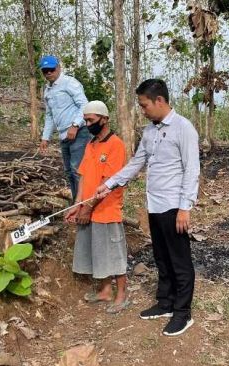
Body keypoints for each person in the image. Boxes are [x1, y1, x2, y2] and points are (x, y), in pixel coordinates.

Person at [95, 79, 200, 336]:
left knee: (179, 261)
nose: (142, 110)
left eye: (144, 105)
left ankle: (182, 313)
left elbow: (192, 170)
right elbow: (136, 162)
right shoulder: (150, 131)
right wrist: (110, 184)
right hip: (154, 205)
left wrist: (185, 207)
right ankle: (165, 303)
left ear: (160, 101)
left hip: (174, 206)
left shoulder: (183, 128)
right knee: (161, 258)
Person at [65, 100, 129, 314]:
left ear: (104, 119)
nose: (87, 123)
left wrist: (88, 208)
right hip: (88, 209)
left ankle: (121, 295)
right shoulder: (91, 145)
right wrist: (77, 204)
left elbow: (108, 183)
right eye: (85, 120)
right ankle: (104, 291)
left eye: (91, 120)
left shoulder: (116, 145)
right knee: (98, 253)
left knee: (114, 253)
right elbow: (83, 176)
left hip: (107, 210)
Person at [37, 55, 90, 201]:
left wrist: (75, 125)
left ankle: (83, 204)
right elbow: (49, 115)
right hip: (64, 136)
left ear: (58, 68)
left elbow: (84, 105)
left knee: (77, 170)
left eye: (51, 69)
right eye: (45, 70)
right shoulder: (47, 90)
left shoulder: (69, 83)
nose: (48, 73)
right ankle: (76, 202)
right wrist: (45, 137)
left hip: (79, 133)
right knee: (68, 171)